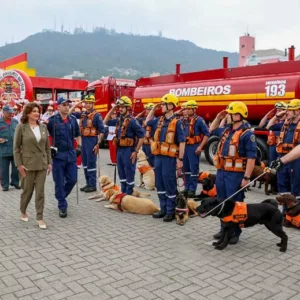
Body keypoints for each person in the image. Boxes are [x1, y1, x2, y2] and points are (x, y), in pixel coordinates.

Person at [209, 101, 257, 244]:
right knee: (222, 202)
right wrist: (218, 118)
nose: (228, 116)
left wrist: (247, 177)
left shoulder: (247, 134)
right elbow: (212, 130)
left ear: (238, 116)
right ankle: (224, 228)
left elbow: (251, 158)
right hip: (222, 173)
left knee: (235, 203)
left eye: (230, 114)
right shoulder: (227, 130)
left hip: (235, 175)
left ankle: (235, 232)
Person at [145, 94, 186, 222]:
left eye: (163, 104)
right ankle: (163, 209)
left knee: (169, 184)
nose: (161, 106)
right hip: (158, 157)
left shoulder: (177, 122)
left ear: (171, 106)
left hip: (169, 159)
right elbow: (147, 122)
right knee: (159, 183)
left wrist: (180, 159)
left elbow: (182, 142)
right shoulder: (159, 120)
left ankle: (170, 211)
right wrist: (153, 109)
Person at [13, 103, 52, 229]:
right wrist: (19, 165)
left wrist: (49, 162)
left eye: (38, 111)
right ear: (28, 113)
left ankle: (39, 217)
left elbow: (47, 147)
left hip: (41, 164)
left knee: (40, 192)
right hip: (27, 165)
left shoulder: (43, 128)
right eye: (34, 111)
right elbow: (16, 148)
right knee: (27, 191)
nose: (37, 113)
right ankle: (23, 210)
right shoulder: (21, 127)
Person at [47, 97, 82, 218]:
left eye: (68, 104)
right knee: (59, 182)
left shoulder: (72, 120)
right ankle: (62, 205)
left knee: (72, 179)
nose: (67, 106)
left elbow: (78, 135)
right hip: (57, 156)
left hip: (71, 155)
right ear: (58, 107)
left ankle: (61, 196)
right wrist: (48, 150)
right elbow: (44, 135)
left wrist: (80, 146)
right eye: (64, 104)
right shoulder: (52, 121)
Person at [104, 96, 144, 195]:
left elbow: (142, 136)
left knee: (129, 173)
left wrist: (136, 151)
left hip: (129, 150)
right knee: (121, 172)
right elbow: (105, 121)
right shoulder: (118, 120)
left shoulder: (133, 121)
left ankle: (128, 195)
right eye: (119, 107)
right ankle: (123, 194)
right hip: (120, 150)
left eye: (122, 107)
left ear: (128, 108)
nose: (120, 109)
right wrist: (113, 108)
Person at [69, 95, 105, 192]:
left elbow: (102, 130)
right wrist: (77, 104)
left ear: (93, 104)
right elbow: (69, 113)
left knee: (91, 163)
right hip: (83, 140)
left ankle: (92, 185)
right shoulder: (83, 114)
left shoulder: (97, 116)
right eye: (86, 103)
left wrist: (98, 144)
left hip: (92, 140)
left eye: (90, 103)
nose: (88, 105)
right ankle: (88, 183)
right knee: (85, 163)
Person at [271, 99, 300, 200]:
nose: (287, 112)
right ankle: (285, 214)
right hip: (283, 159)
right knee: (283, 190)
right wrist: (277, 116)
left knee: (296, 192)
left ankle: (296, 214)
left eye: (290, 110)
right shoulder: (286, 123)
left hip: (296, 161)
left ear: (297, 111)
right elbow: (269, 126)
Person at [182, 100, 210, 197]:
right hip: (185, 147)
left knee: (194, 169)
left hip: (194, 147)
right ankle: (186, 188)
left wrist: (200, 147)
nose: (187, 110)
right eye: (186, 109)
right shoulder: (184, 120)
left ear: (194, 109)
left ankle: (192, 190)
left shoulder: (199, 120)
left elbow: (207, 134)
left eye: (189, 109)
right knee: (185, 169)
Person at [0, 106, 20, 191]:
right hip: (3, 149)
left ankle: (15, 182)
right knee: (4, 169)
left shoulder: (15, 122)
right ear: (3, 112)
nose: (10, 114)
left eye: (11, 112)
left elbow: (19, 134)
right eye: (8, 112)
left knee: (16, 167)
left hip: (14, 149)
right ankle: (5, 185)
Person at [136, 103, 156, 167]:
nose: (147, 111)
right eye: (146, 109)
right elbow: (134, 120)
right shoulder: (142, 120)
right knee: (144, 161)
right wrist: (139, 115)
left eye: (149, 110)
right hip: (144, 144)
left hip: (152, 144)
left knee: (152, 162)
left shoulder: (156, 120)